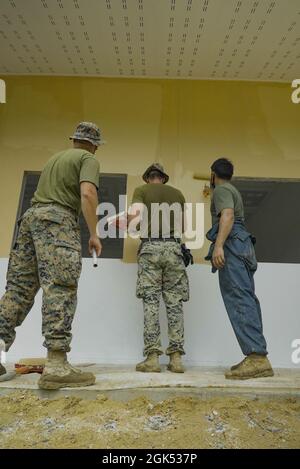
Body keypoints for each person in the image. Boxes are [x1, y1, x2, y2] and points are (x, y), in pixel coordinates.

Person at [0, 122, 103, 389]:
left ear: (74, 140)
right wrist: (94, 233)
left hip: (30, 219)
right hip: (57, 221)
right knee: (61, 286)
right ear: (94, 145)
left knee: (19, 290)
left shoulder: (54, 159)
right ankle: (57, 363)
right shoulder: (88, 159)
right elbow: (88, 193)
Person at [205, 158, 274, 380]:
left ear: (213, 175)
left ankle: (257, 358)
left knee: (239, 297)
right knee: (245, 297)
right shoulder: (231, 188)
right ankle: (256, 354)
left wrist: (219, 246)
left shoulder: (222, 190)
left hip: (233, 244)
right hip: (242, 244)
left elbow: (227, 215)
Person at [128, 163, 189, 373]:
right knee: (174, 303)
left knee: (151, 302)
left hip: (150, 248)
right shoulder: (178, 194)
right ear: (163, 178)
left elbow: (134, 217)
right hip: (173, 249)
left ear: (147, 178)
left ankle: (152, 358)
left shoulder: (141, 190)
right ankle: (176, 358)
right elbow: (184, 227)